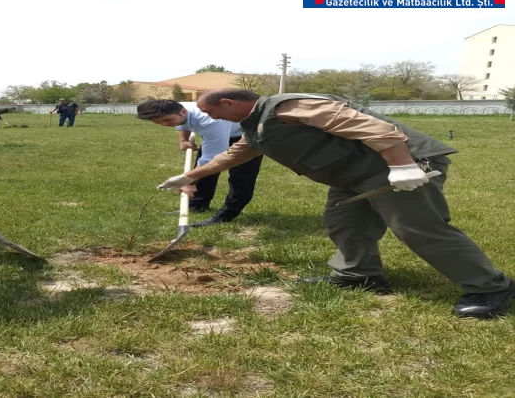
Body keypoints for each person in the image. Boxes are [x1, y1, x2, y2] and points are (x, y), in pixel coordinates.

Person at [157, 89, 514, 319]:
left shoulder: (291, 106)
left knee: (420, 229)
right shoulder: (257, 126)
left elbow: (375, 129)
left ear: (229, 103)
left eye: (214, 113)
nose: (213, 120)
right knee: (343, 221)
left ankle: (491, 287)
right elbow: (236, 154)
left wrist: (402, 165)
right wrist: (192, 177)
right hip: (353, 176)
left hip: (394, 165)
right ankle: (359, 275)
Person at [136, 99, 263, 226]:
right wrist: (183, 139)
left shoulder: (209, 120)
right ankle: (197, 205)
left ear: (183, 112)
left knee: (240, 177)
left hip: (248, 135)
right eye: (158, 122)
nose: (164, 124)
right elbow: (181, 123)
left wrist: (189, 180)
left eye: (167, 120)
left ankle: (226, 215)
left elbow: (212, 160)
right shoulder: (178, 108)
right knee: (200, 168)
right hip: (217, 133)